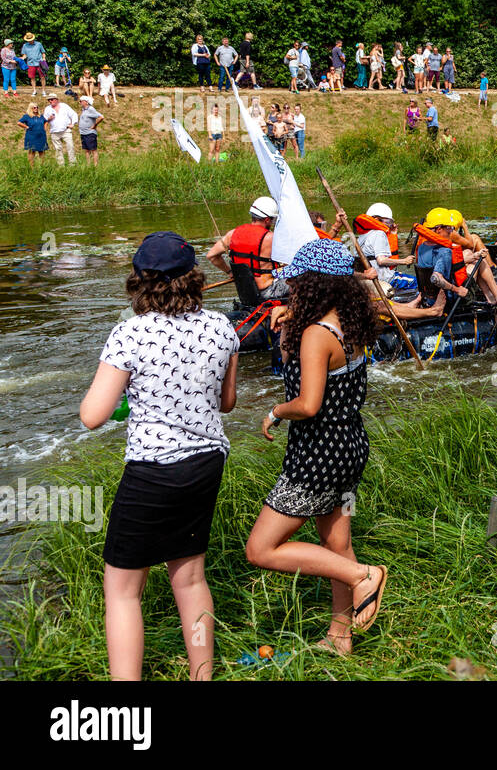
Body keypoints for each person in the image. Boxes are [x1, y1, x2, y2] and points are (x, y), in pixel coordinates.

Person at [80, 231, 240, 680]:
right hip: (207, 461)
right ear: (193, 277)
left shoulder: (129, 332)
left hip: (153, 469)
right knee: (189, 578)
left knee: (123, 590)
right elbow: (226, 403)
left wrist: (122, 397)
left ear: (140, 279)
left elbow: (92, 415)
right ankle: (201, 676)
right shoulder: (221, 327)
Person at [246, 239, 387, 655]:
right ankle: (339, 637)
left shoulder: (315, 334)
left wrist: (274, 411)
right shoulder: (349, 324)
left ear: (312, 285)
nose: (290, 290)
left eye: (297, 284)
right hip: (350, 444)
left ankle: (364, 575)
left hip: (318, 452)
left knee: (261, 548)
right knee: (336, 543)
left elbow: (307, 405)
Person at [206, 197, 285, 301]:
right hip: (268, 291)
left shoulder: (232, 233)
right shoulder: (271, 238)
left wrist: (230, 272)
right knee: (307, 281)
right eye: (272, 220)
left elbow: (211, 256)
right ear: (267, 220)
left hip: (245, 293)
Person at [354, 202, 416, 293]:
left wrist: (393, 234)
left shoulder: (362, 236)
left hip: (369, 279)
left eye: (390, 222)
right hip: (384, 279)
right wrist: (404, 261)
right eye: (387, 222)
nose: (389, 225)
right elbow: (381, 260)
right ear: (376, 219)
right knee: (417, 282)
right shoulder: (379, 233)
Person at [43, 93, 79, 166]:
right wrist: (49, 119)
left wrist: (73, 123)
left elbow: (74, 114)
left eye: (52, 99)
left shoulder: (64, 106)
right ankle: (61, 165)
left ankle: (73, 164)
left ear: (56, 100)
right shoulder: (47, 109)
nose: (50, 101)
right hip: (54, 131)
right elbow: (44, 120)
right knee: (58, 149)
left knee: (70, 146)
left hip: (66, 130)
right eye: (49, 100)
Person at [17, 101, 47, 166]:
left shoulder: (41, 116)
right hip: (31, 136)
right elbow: (19, 122)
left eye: (37, 107)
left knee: (42, 151)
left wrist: (44, 129)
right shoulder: (27, 116)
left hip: (41, 136)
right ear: (30, 108)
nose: (36, 108)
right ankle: (31, 168)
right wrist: (26, 127)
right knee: (32, 151)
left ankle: (42, 166)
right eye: (34, 107)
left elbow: (46, 121)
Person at [77, 94, 103, 166]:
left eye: (81, 101)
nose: (80, 103)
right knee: (87, 150)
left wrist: (95, 125)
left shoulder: (91, 109)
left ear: (86, 102)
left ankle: (95, 165)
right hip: (83, 133)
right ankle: (88, 165)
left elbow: (101, 117)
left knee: (93, 150)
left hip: (90, 133)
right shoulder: (84, 110)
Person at [21, 32, 47, 97]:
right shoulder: (25, 45)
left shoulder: (39, 44)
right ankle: (34, 91)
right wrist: (22, 58)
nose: (29, 41)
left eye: (30, 40)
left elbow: (43, 52)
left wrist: (44, 58)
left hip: (40, 62)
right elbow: (24, 55)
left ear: (33, 39)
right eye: (28, 40)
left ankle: (43, 91)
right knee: (32, 77)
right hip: (30, 63)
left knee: (43, 77)